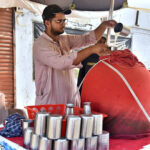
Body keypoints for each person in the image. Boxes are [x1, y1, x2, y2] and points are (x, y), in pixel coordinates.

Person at [33, 4, 116, 105]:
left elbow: (88, 39)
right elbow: (61, 63)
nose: (63, 24)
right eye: (59, 21)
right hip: (50, 103)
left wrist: (104, 25)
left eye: (64, 20)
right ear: (47, 23)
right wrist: (92, 49)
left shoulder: (64, 39)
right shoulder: (40, 44)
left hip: (70, 99)